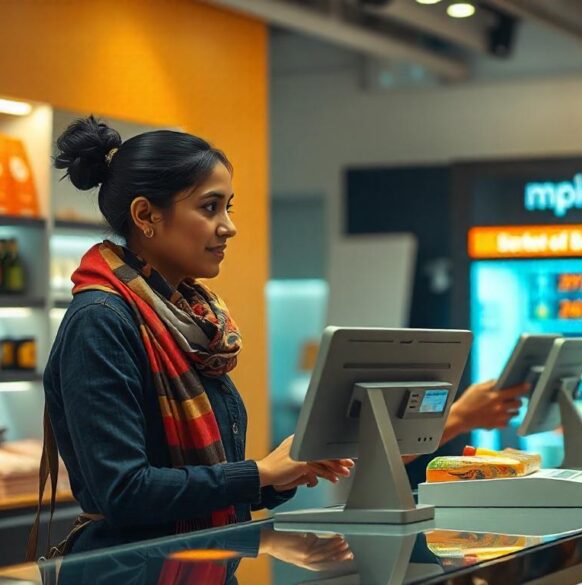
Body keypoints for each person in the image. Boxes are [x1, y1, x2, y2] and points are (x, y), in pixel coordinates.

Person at [29, 117, 353, 559]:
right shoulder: (101, 321)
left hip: (195, 561)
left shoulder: (188, 323)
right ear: (146, 215)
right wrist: (258, 471)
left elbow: (199, 484)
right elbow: (124, 491)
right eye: (209, 207)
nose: (228, 226)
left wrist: (277, 477)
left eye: (229, 207)